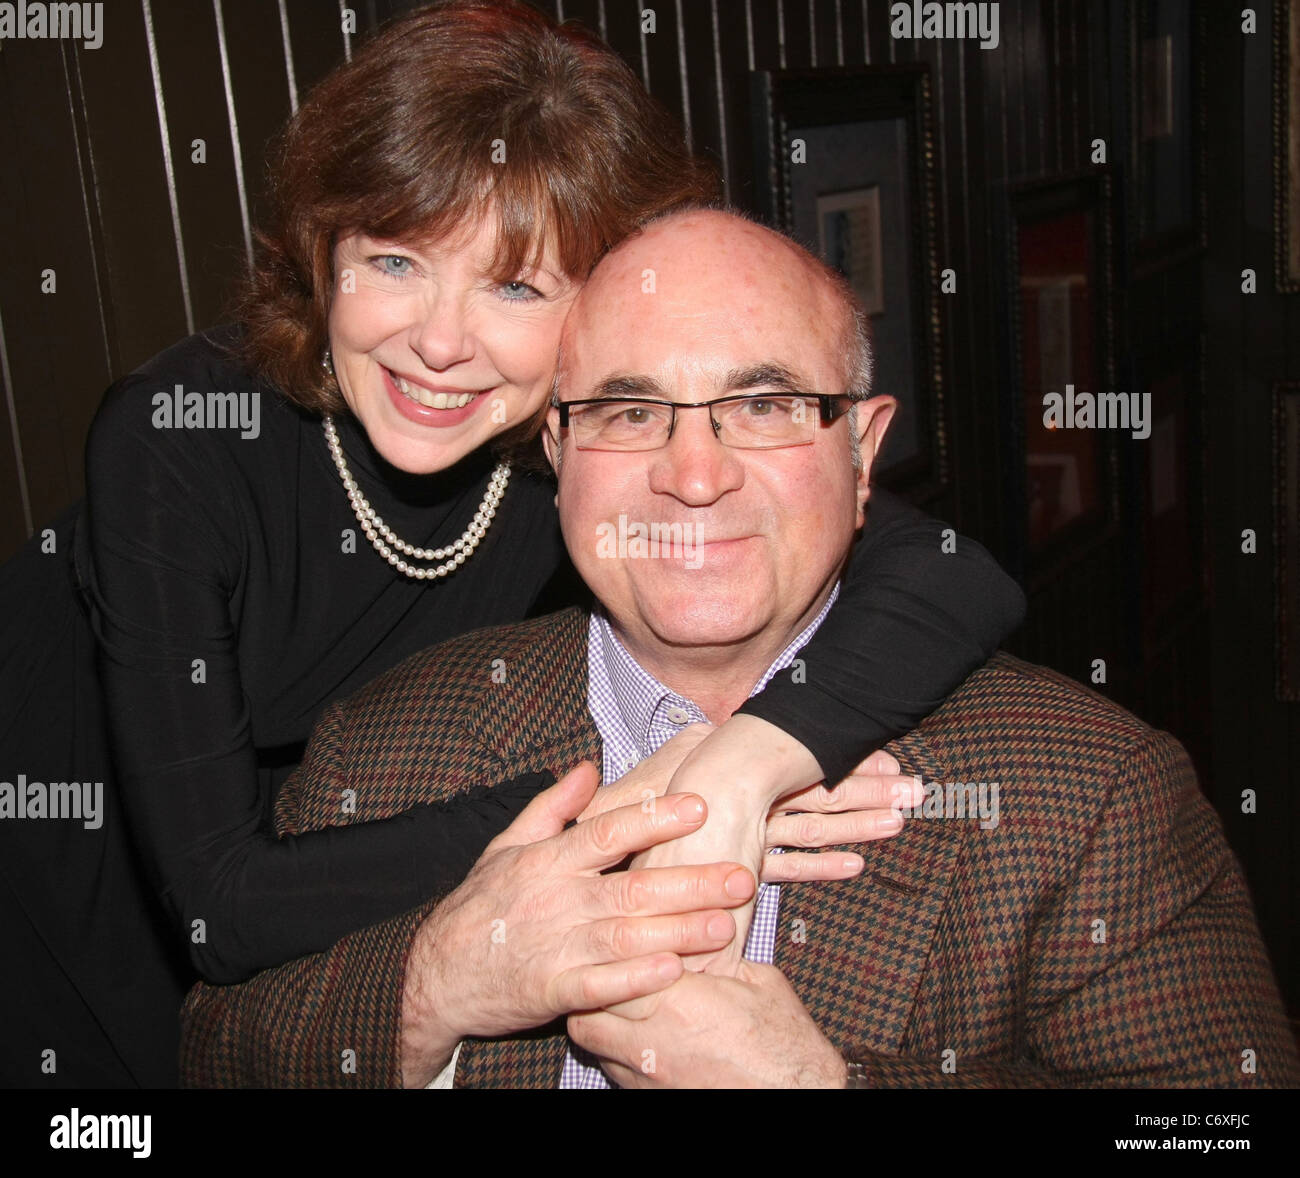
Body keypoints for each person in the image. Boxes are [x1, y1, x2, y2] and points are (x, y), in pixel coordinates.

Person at [0, 2, 1023, 1089]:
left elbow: (952, 572)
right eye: (393, 261)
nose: (438, 342)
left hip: (316, 849)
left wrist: (748, 758)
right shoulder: (181, 437)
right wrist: (639, 800)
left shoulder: (579, 450)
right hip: (65, 859)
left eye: (515, 284)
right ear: (322, 251)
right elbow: (220, 904)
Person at [180, 208, 1298, 1089]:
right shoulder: (389, 737)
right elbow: (216, 1049)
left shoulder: (1095, 791)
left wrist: (818, 1086)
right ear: (556, 451)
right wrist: (433, 985)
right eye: (629, 411)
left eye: (763, 406)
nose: (695, 472)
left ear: (863, 456)